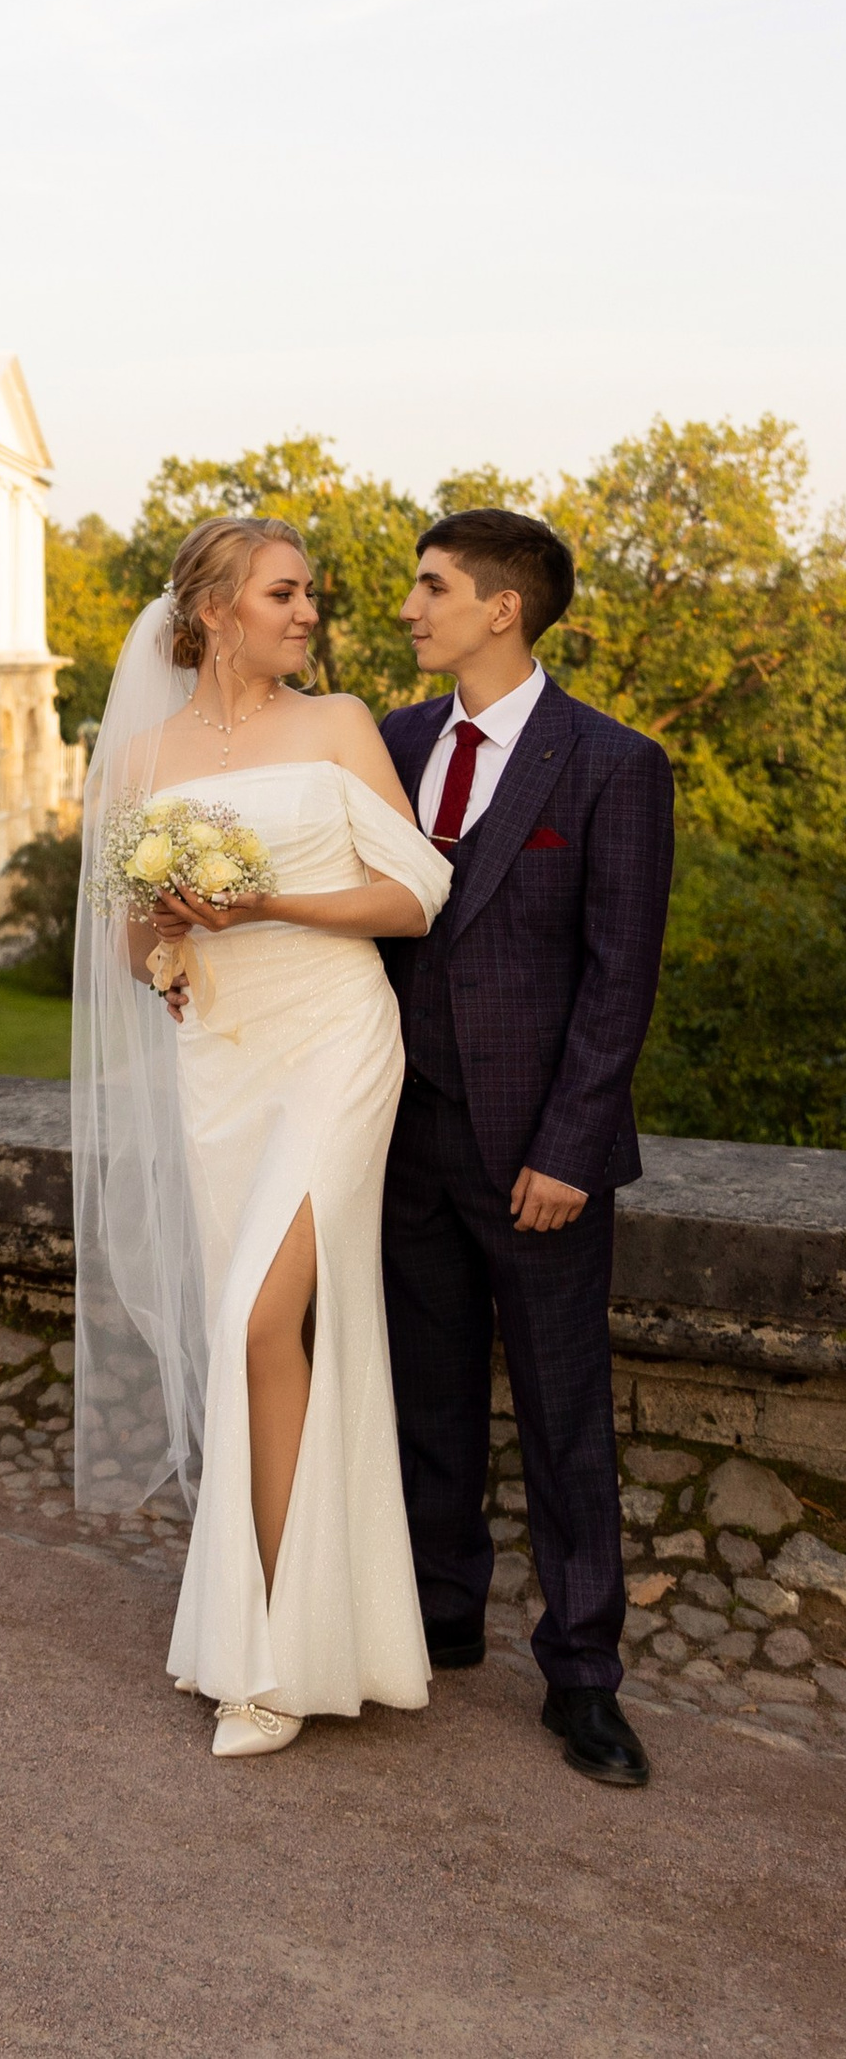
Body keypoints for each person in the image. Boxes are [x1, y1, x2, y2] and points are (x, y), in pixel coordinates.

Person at [72, 515, 451, 1757]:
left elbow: (413, 893)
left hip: (337, 1041)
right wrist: (173, 932)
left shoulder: (340, 722)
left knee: (250, 1317)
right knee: (269, 1338)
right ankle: (281, 1631)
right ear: (214, 608)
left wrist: (264, 898)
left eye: (311, 598)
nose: (309, 614)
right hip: (222, 1057)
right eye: (284, 593)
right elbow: (138, 948)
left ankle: (273, 1663)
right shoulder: (138, 760)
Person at [378, 510, 673, 1789]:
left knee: (564, 1425)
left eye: (431, 586)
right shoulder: (387, 744)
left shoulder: (613, 765)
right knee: (425, 1394)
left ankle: (583, 1678)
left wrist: (566, 1147)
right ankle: (444, 1612)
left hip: (539, 1157)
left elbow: (619, 979)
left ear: (502, 607)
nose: (408, 607)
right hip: (400, 1135)